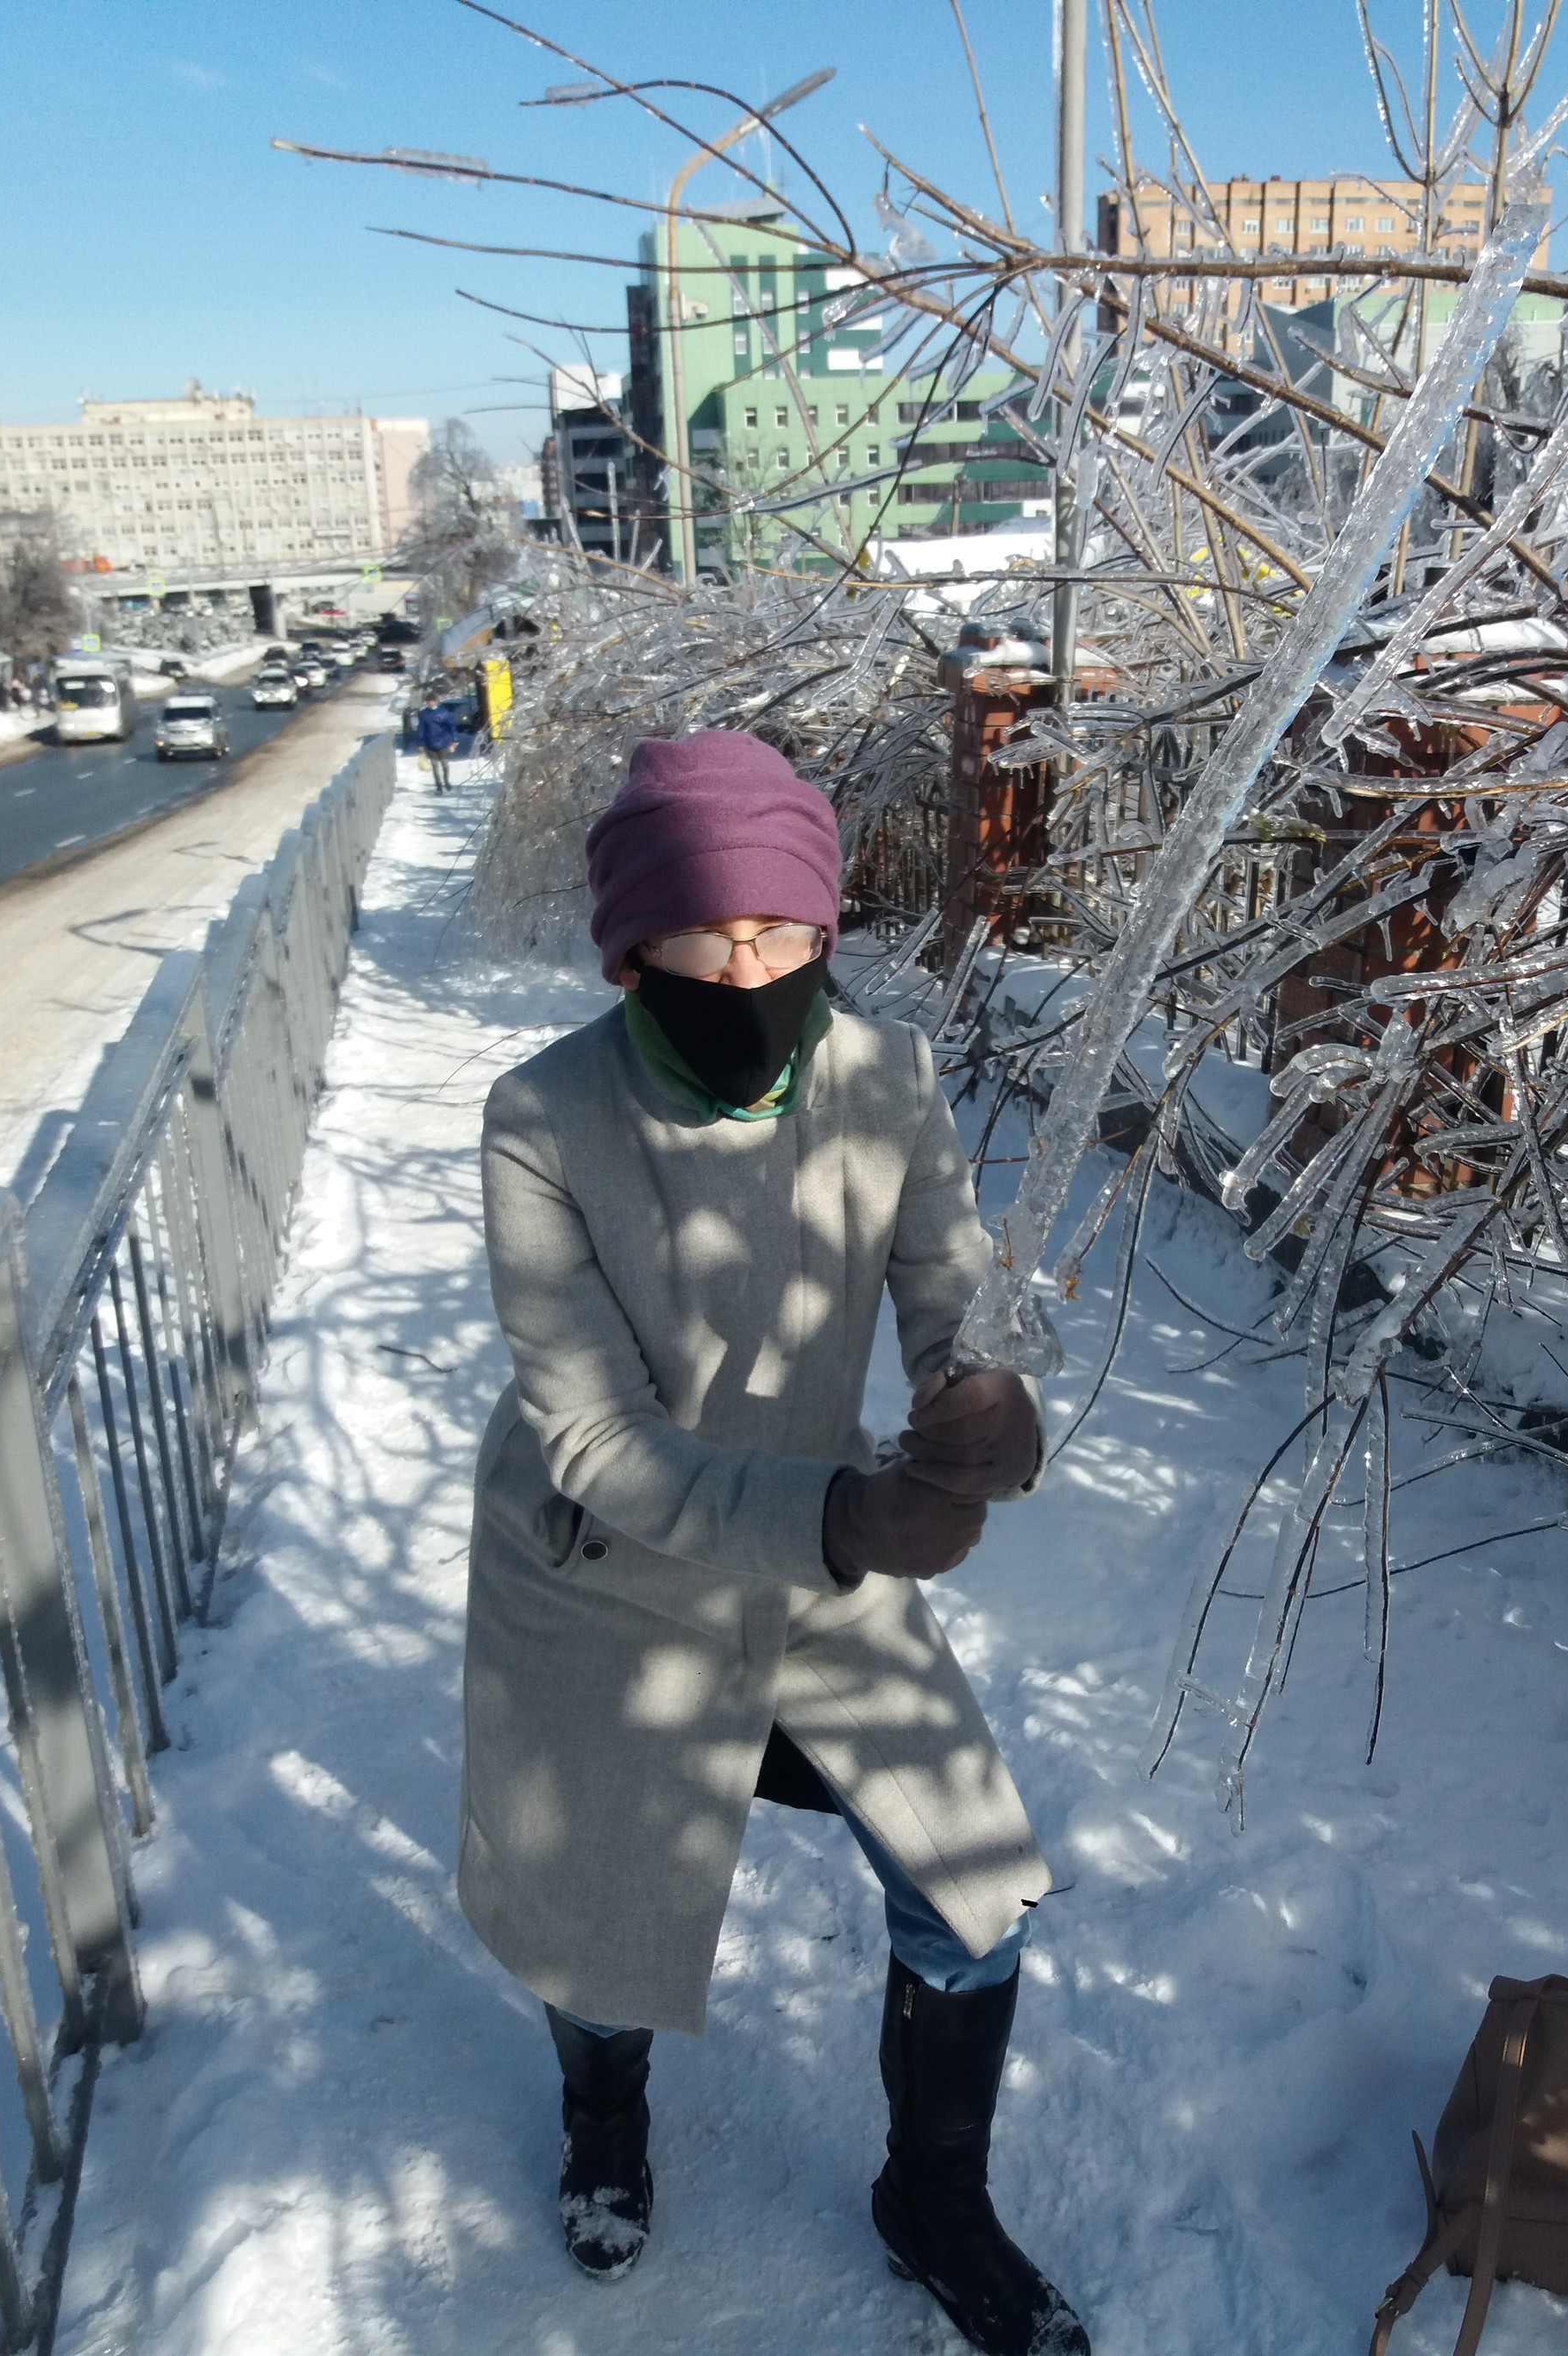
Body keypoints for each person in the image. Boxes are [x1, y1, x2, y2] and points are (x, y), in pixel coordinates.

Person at [462, 732, 1089, 2356]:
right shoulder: (541, 1120)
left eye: (785, 932)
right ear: (631, 941)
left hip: (817, 1566)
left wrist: (988, 1403)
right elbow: (593, 1439)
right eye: (710, 931)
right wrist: (840, 1511)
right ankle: (604, 2123)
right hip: (604, 1574)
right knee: (604, 1916)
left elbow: (953, 1301)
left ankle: (932, 2200)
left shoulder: (884, 1081)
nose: (751, 964)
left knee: (972, 1898)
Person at [417, 696, 459, 791]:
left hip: (443, 742)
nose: (430, 703)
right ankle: (438, 784)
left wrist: (455, 739)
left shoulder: (444, 712)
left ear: (436, 702)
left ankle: (446, 781)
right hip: (430, 743)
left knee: (445, 764)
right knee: (434, 765)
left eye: (432, 701)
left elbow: (451, 727)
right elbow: (421, 729)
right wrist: (420, 743)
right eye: (429, 702)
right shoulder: (424, 714)